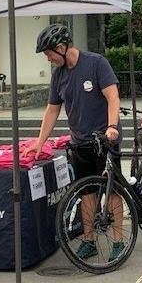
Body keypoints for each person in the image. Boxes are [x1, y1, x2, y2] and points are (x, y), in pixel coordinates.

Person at [28, 23, 124, 261]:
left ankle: (119, 241)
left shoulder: (96, 63)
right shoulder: (58, 75)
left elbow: (113, 96)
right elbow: (52, 110)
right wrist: (40, 142)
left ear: (61, 48)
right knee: (86, 192)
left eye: (49, 54)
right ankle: (89, 240)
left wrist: (112, 127)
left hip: (105, 138)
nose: (48, 59)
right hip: (80, 141)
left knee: (112, 191)